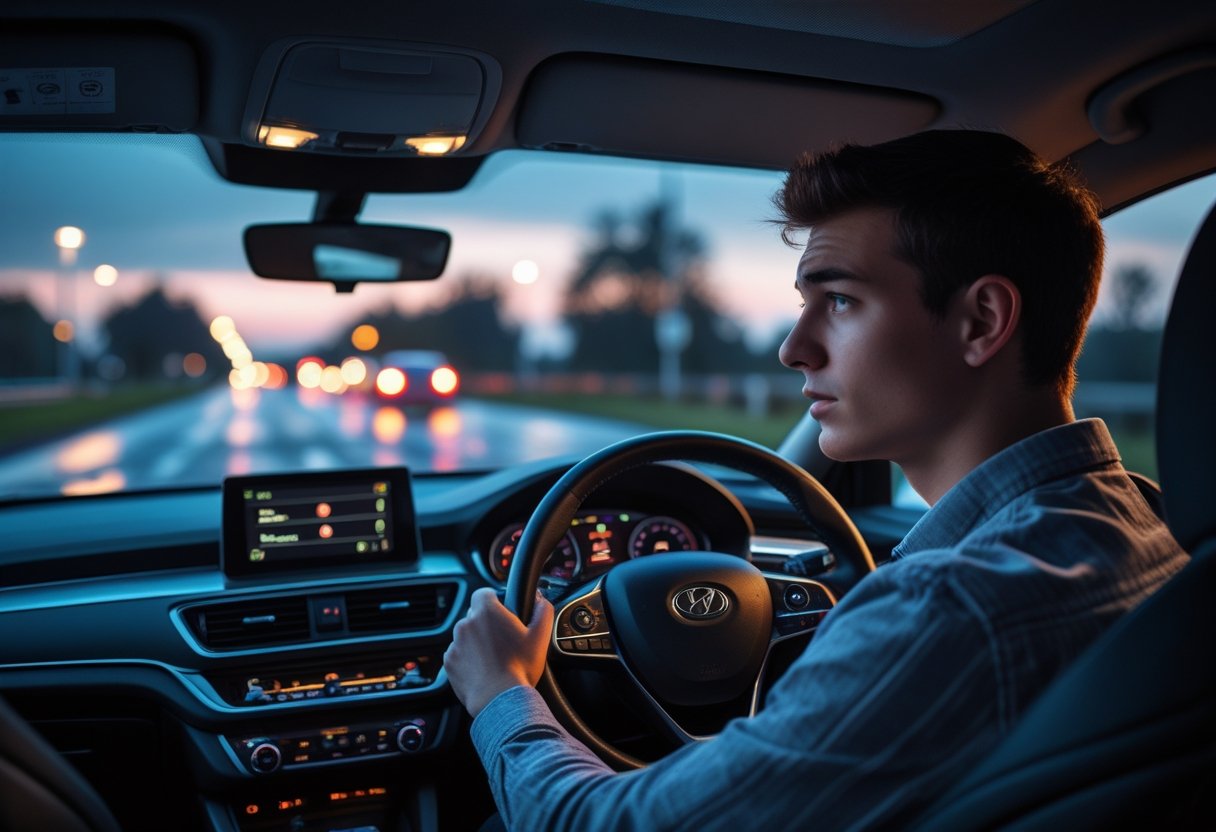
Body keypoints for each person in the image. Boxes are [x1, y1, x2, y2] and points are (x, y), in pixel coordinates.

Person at [442, 130, 1189, 830]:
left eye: (838, 300)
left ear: (982, 321)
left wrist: (503, 692)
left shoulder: (945, 609)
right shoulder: (1155, 522)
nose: (794, 349)